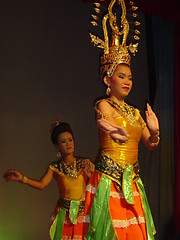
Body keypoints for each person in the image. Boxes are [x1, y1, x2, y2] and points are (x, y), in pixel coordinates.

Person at [83, 0, 159, 239]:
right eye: (121, 76)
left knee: (137, 233)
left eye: (130, 77)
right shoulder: (104, 103)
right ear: (108, 80)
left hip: (132, 181)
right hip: (108, 181)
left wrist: (155, 132)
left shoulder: (136, 113)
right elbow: (103, 120)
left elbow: (150, 142)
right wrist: (112, 129)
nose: (127, 81)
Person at [4, 121, 94, 240]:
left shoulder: (85, 163)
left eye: (70, 140)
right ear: (57, 147)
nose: (68, 144)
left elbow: (95, 187)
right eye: (63, 141)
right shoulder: (54, 167)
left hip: (82, 214)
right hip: (64, 214)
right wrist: (22, 178)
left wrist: (91, 177)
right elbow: (42, 185)